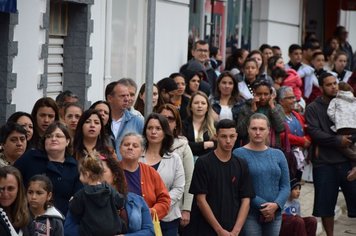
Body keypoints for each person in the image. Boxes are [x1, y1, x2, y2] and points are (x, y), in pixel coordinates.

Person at [305, 72, 356, 236]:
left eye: (335, 83)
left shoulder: (347, 102)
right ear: (321, 87)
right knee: (326, 206)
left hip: (348, 161)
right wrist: (337, 141)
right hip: (324, 163)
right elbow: (314, 132)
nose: (333, 86)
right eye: (329, 84)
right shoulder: (313, 107)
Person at [183, 119, 255, 236]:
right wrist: (219, 230)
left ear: (236, 136)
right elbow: (200, 200)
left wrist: (236, 231)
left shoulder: (241, 164)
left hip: (233, 228)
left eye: (232, 136)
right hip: (206, 229)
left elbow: (246, 199)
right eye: (223, 136)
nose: (228, 141)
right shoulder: (203, 163)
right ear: (216, 136)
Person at [233, 113, 290, 236]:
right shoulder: (238, 154)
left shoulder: (278, 154)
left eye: (261, 129)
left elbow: (285, 186)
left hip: (275, 213)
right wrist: (264, 206)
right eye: (254, 128)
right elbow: (239, 187)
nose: (257, 132)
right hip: (249, 213)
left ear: (268, 130)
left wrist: (275, 205)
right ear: (248, 130)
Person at [14, 121, 82, 215]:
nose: (53, 139)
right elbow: (13, 179)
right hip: (28, 217)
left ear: (67, 141)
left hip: (61, 221)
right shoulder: (30, 158)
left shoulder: (74, 167)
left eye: (58, 136)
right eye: (49, 136)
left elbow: (78, 199)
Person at [140, 113, 185, 236]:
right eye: (150, 128)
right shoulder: (137, 157)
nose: (153, 132)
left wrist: (160, 206)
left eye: (158, 128)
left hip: (168, 217)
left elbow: (179, 188)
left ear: (165, 132)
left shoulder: (174, 158)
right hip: (140, 217)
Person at [69, 153, 126, 236]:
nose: (79, 177)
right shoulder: (109, 189)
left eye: (80, 174)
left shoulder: (81, 194)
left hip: (91, 232)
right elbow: (120, 202)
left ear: (87, 174)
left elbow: (75, 211)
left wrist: (72, 202)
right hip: (112, 231)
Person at [157, 104, 194, 228]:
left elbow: (189, 180)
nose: (166, 122)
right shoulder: (145, 146)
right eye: (163, 118)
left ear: (176, 124)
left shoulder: (183, 147)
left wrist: (186, 209)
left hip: (173, 209)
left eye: (170, 118)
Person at [120, 133, 171, 220]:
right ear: (120, 148)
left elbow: (164, 200)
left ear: (142, 151)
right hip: (118, 225)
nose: (130, 147)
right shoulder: (111, 171)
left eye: (135, 146)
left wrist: (150, 212)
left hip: (146, 225)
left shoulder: (150, 172)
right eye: (126, 144)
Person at [237, 80, 285, 148]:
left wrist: (273, 108)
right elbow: (240, 132)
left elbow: (281, 128)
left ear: (271, 94)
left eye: (266, 94)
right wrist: (252, 111)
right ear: (254, 93)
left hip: (272, 148)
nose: (262, 97)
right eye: (259, 94)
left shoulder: (277, 107)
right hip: (250, 148)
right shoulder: (246, 108)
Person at [278, 86, 311, 180]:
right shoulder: (278, 116)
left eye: (294, 97)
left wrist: (308, 140)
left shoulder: (296, 115)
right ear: (281, 101)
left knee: (296, 187)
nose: (294, 100)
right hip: (285, 158)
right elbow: (280, 135)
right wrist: (301, 141)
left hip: (299, 157)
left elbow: (308, 130)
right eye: (290, 98)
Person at [106, 80, 144, 158]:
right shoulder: (101, 121)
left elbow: (144, 148)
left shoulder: (137, 121)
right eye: (122, 96)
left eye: (128, 95)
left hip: (128, 168)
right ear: (110, 98)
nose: (127, 99)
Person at [327, 81, 356, 181]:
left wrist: (337, 120)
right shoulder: (354, 100)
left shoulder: (335, 100)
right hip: (353, 127)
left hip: (342, 127)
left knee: (341, 145)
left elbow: (330, 112)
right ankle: (354, 168)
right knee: (352, 144)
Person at [182, 91, 216, 158]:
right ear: (190, 107)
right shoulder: (183, 124)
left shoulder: (215, 125)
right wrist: (204, 145)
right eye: (196, 103)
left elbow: (217, 145)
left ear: (207, 108)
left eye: (203, 103)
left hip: (208, 161)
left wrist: (194, 145)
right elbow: (184, 146)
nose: (199, 106)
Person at [0, 166, 31, 236]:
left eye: (10, 188)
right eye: (1, 188)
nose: (5, 194)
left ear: (19, 190)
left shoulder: (26, 216)